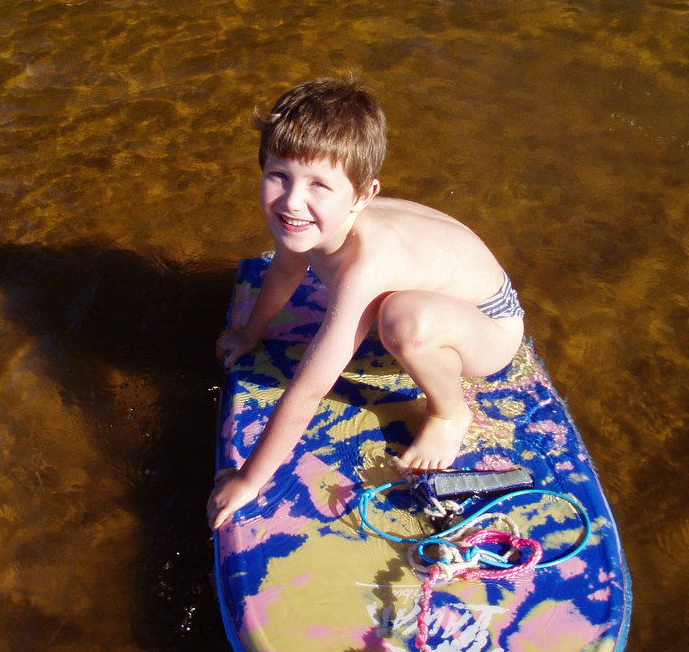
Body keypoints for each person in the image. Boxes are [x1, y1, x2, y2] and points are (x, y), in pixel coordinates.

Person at [207, 77, 525, 530]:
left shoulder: (365, 268)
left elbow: (309, 389)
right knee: (394, 310)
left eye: (319, 185)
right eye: (279, 176)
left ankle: (449, 413)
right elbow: (285, 270)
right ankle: (424, 341)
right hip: (450, 296)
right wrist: (249, 333)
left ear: (362, 196)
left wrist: (248, 480)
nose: (292, 201)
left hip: (491, 327)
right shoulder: (311, 219)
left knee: (402, 321)